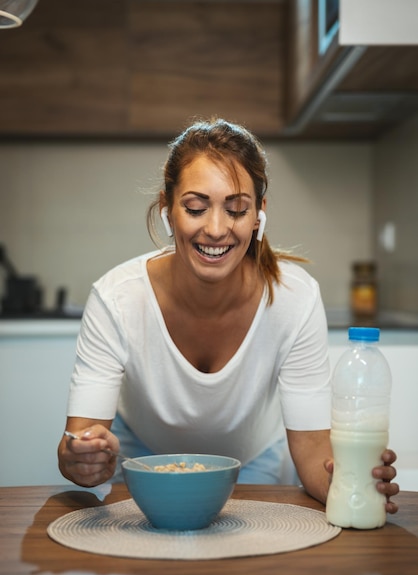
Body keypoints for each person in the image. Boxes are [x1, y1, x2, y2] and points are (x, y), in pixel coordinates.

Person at [58, 117, 399, 513]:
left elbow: (312, 451)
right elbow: (79, 441)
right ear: (168, 210)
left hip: (251, 462)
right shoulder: (115, 298)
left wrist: (353, 487)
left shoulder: (295, 298)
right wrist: (84, 460)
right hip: (144, 458)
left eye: (236, 209)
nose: (216, 229)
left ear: (259, 215)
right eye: (196, 207)